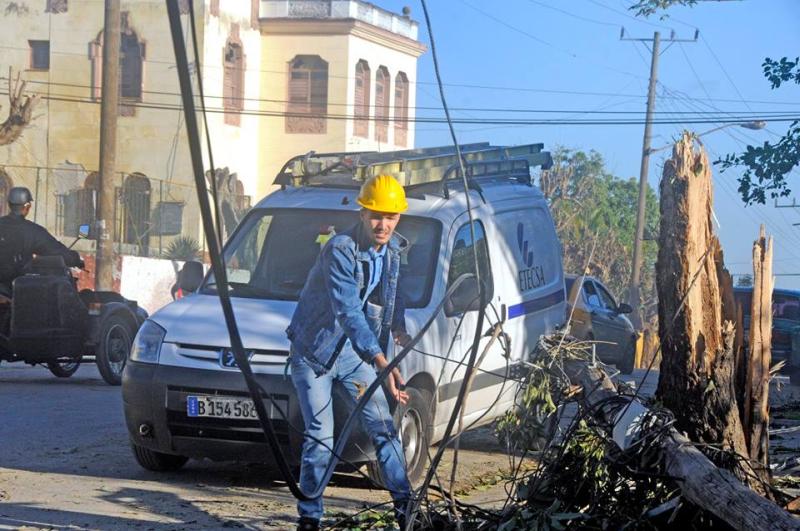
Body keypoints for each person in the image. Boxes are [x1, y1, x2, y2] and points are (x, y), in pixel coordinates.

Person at [286, 175, 413, 531]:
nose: (383, 224)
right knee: (320, 437)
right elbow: (348, 311)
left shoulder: (393, 250)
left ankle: (407, 509)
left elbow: (394, 293)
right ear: (361, 213)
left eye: (390, 216)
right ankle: (310, 518)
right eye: (376, 215)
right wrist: (381, 361)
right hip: (315, 353)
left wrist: (398, 326)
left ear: (398, 218)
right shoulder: (340, 249)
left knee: (385, 428)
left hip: (354, 355)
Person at [0, 187, 83, 297]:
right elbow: (55, 250)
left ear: (9, 204)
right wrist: (75, 258)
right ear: (27, 206)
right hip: (16, 288)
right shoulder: (32, 230)